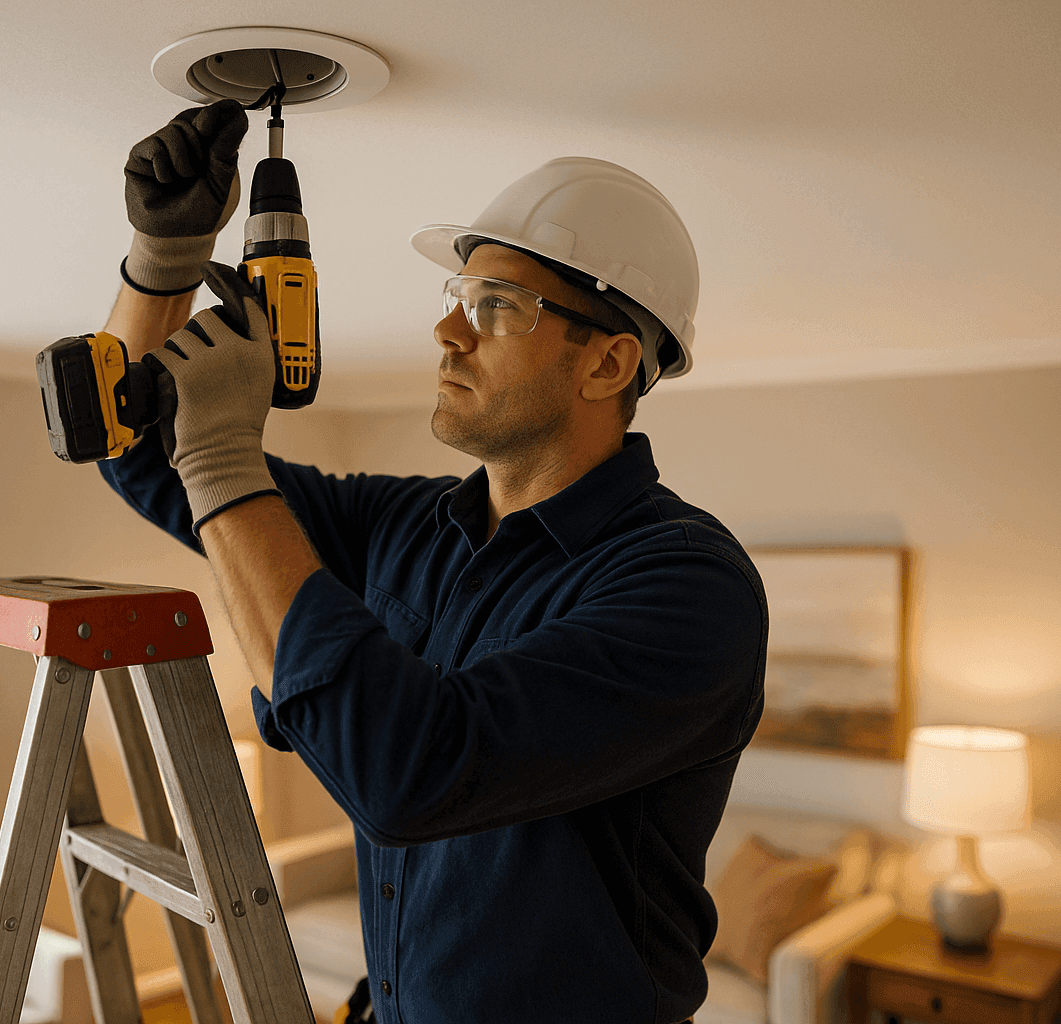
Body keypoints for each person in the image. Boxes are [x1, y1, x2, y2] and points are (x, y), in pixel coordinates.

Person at [97, 99, 767, 1024]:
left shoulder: (688, 589)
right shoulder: (405, 523)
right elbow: (139, 453)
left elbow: (410, 775)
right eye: (457, 299)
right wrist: (161, 263)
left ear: (609, 366)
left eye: (498, 307)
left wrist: (222, 451)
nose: (449, 333)